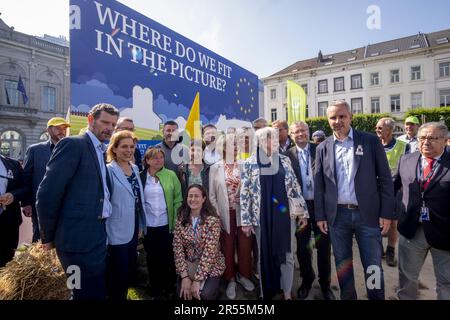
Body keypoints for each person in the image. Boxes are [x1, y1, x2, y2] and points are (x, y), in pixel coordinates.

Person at [36, 103, 119, 300]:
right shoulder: (73, 144)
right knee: (81, 293)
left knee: (94, 291)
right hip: (75, 241)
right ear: (90, 119)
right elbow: (47, 193)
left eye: (113, 125)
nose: (109, 128)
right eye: (105, 122)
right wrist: (47, 237)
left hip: (96, 236)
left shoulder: (99, 150)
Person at [314, 100, 395, 300]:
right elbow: (319, 186)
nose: (338, 121)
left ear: (351, 117)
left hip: (367, 215)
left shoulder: (369, 141)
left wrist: (386, 213)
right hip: (337, 217)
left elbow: (385, 179)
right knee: (343, 264)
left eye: (342, 116)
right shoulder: (322, 148)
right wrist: (321, 215)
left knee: (373, 266)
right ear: (328, 120)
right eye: (333, 117)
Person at [240, 127, 308, 300]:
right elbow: (245, 193)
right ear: (262, 142)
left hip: (285, 217)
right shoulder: (249, 163)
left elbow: (295, 188)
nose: (277, 141)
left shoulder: (285, 161)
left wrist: (303, 213)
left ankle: (286, 292)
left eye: (277, 138)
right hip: (260, 217)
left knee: (287, 255)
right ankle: (265, 293)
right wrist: (246, 221)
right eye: (272, 139)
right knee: (263, 256)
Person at [393, 122, 450, 300]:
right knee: (407, 279)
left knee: (446, 282)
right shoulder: (406, 160)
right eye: (422, 138)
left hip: (445, 232)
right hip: (412, 230)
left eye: (432, 138)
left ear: (445, 141)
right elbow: (390, 187)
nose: (426, 142)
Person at [286, 121, 334, 300]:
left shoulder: (321, 149)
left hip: (321, 207)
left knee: (324, 247)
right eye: (296, 132)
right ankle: (307, 280)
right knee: (303, 248)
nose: (300, 134)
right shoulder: (287, 155)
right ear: (291, 135)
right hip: (300, 209)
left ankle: (325, 284)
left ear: (308, 132)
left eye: (303, 131)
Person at [209, 134, 254, 300]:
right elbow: (212, 195)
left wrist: (243, 200)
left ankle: (244, 276)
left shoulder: (245, 165)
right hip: (224, 213)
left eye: (236, 144)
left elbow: (251, 190)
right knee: (227, 247)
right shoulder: (215, 167)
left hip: (243, 213)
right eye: (232, 144)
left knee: (244, 246)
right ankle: (230, 280)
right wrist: (217, 214)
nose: (236, 147)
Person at [105, 130, 146, 300]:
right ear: (114, 148)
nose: (128, 150)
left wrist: (141, 225)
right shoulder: (108, 170)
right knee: (117, 272)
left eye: (131, 146)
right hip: (116, 227)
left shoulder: (135, 168)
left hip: (134, 224)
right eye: (124, 146)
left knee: (128, 267)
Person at [140, 147, 182, 299]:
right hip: (149, 226)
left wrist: (176, 220)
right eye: (155, 158)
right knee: (152, 258)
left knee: (168, 257)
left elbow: (178, 198)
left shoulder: (170, 175)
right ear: (147, 160)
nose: (159, 160)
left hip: (166, 225)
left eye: (161, 157)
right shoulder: (141, 177)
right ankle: (155, 288)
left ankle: (170, 287)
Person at [21, 117, 70, 243]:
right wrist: (26, 203)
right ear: (49, 130)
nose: (62, 131)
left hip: (66, 203)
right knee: (40, 236)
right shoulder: (35, 150)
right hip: (40, 204)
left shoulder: (70, 149)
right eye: (58, 128)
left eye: (64, 128)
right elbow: (26, 177)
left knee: (62, 235)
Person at [173, 184, 225, 300]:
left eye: (196, 196)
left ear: (204, 199)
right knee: (181, 293)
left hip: (210, 265)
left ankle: (215, 286)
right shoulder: (181, 218)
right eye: (190, 196)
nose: (193, 199)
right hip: (189, 264)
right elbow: (178, 248)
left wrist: (197, 280)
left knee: (204, 295)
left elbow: (210, 253)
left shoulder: (213, 220)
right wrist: (185, 277)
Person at [375, 117, 409, 267]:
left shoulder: (403, 146)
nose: (377, 130)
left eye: (380, 128)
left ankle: (390, 250)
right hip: (376, 189)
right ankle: (379, 249)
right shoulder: (374, 144)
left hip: (395, 189)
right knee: (374, 221)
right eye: (376, 128)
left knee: (393, 222)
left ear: (389, 130)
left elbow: (407, 168)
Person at [0, 147, 27, 267]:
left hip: (9, 222)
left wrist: (13, 195)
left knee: (6, 261)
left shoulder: (14, 164)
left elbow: (25, 187)